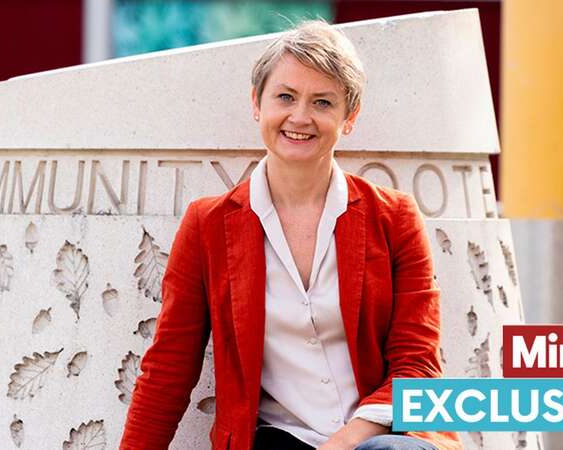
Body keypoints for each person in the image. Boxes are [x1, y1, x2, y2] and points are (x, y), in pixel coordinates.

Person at [120, 20, 462, 450]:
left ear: (349, 117)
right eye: (285, 96)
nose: (300, 117)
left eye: (323, 102)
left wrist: (346, 441)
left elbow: (418, 366)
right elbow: (169, 368)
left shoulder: (394, 218)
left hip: (385, 437)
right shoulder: (208, 225)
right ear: (257, 104)